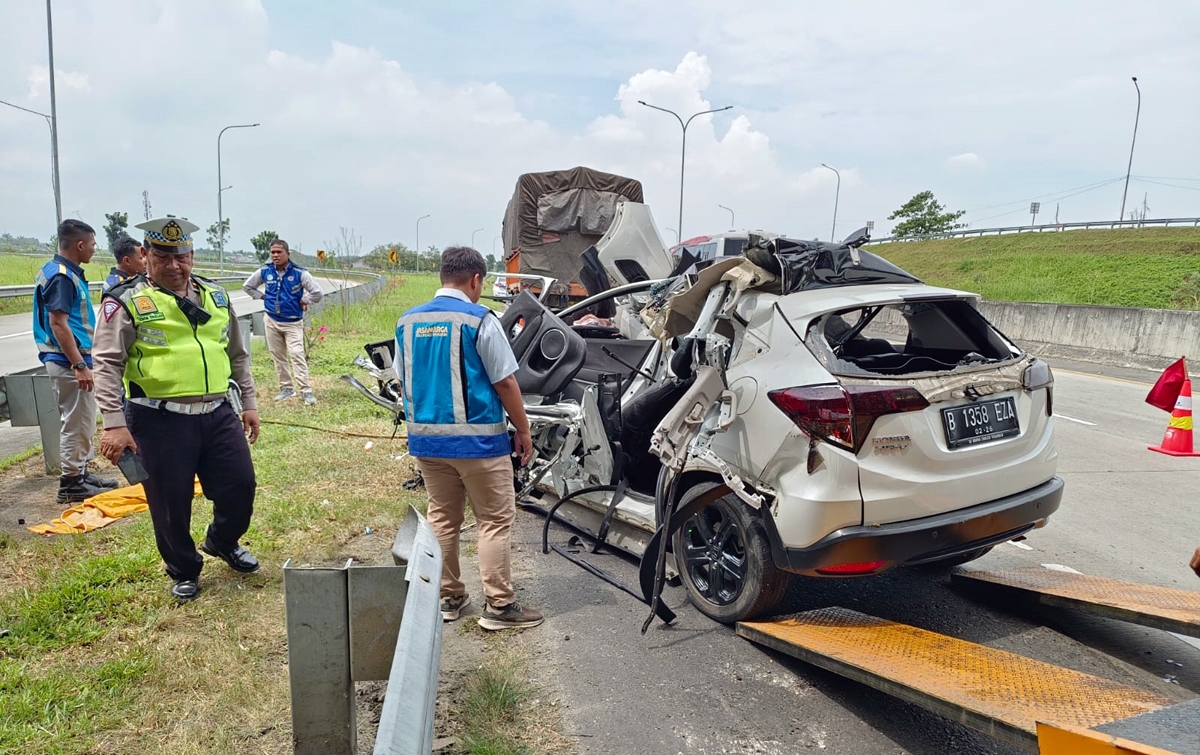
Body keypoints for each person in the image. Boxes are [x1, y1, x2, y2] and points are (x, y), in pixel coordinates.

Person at [93, 216, 261, 602]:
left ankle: (222, 540)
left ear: (192, 256)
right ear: (144, 254)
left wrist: (248, 403)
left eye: (181, 256)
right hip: (157, 418)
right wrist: (114, 423)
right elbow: (105, 364)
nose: (174, 265)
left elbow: (237, 355)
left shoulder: (217, 297)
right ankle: (184, 568)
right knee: (170, 503)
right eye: (163, 256)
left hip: (218, 412)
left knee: (240, 484)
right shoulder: (125, 300)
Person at [395, 246, 543, 631]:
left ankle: (448, 597)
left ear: (443, 276)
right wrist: (523, 430)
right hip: (478, 444)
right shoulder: (480, 320)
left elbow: (402, 377)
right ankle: (500, 606)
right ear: (476, 280)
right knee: (493, 519)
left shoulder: (406, 322)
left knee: (443, 518)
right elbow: (506, 381)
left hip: (428, 444)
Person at [33, 218, 118, 503]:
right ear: (80, 245)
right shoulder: (62, 276)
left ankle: (80, 473)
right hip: (70, 360)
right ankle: (71, 482)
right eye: (92, 245)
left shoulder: (56, 270)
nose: (94, 250)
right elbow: (58, 324)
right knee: (77, 421)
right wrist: (79, 365)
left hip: (69, 359)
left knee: (81, 419)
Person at [242, 239, 323, 405]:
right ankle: (286, 388)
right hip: (271, 319)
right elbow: (248, 286)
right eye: (273, 252)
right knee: (278, 356)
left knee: (297, 354)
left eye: (279, 252)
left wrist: (305, 299)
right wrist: (262, 296)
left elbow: (317, 292)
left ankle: (305, 390)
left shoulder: (300, 273)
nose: (276, 255)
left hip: (293, 322)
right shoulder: (265, 271)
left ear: (288, 254)